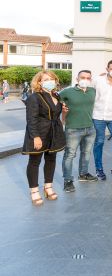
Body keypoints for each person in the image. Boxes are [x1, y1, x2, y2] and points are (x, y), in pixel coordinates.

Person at [22, 71, 65, 205]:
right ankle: (34, 191)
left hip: (54, 132)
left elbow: (58, 117)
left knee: (51, 159)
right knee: (35, 161)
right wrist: (35, 137)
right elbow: (31, 119)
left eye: (52, 78)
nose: (50, 81)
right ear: (39, 82)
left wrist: (64, 112)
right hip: (39, 132)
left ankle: (48, 187)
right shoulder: (35, 97)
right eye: (46, 79)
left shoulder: (56, 95)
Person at [60, 70, 98, 193]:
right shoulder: (68, 91)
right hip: (73, 129)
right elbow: (55, 100)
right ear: (77, 78)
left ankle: (83, 174)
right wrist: (62, 111)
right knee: (70, 155)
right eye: (83, 77)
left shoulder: (92, 91)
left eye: (88, 78)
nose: (85, 80)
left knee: (86, 153)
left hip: (90, 128)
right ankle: (67, 180)